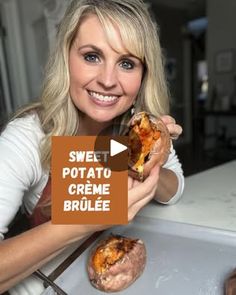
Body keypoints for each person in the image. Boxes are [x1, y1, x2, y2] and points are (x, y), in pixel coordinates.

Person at [0, 0, 184, 293]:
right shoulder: (29, 136)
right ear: (66, 58)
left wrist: (149, 159)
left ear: (143, 74)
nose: (108, 80)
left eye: (127, 63)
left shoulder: (137, 129)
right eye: (92, 56)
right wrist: (85, 221)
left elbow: (175, 189)